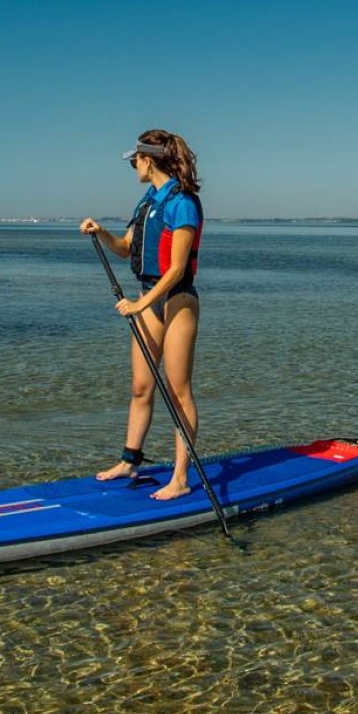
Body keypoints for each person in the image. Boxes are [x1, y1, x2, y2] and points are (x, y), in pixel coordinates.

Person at [79, 129, 204, 500]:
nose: (132, 165)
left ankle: (180, 478)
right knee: (141, 387)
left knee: (178, 392)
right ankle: (129, 460)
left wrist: (140, 305)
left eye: (135, 159)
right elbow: (124, 249)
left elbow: (178, 269)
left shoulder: (182, 203)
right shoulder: (147, 202)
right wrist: (101, 233)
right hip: (149, 297)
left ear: (149, 160)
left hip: (177, 301)